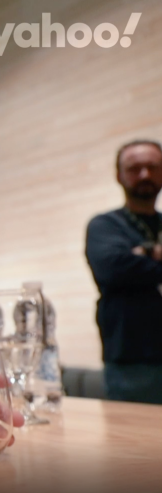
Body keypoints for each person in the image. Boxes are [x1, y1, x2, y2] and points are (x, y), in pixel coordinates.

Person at [85, 140, 162, 404]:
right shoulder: (105, 225)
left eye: (153, 166)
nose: (145, 174)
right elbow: (112, 268)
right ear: (119, 175)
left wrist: (142, 253)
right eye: (135, 168)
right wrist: (156, 252)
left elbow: (130, 267)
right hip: (132, 362)